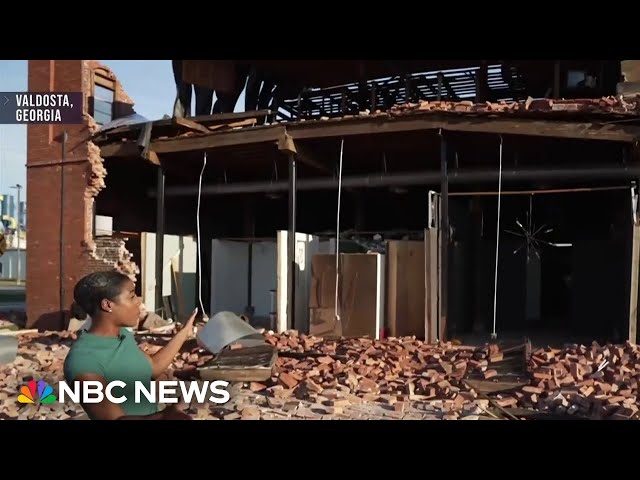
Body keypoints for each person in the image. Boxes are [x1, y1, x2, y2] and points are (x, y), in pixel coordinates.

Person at [63, 270, 196, 420]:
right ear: (107, 305)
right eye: (132, 296)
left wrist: (184, 332)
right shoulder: (83, 361)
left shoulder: (123, 335)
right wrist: (165, 416)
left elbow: (153, 367)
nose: (138, 302)